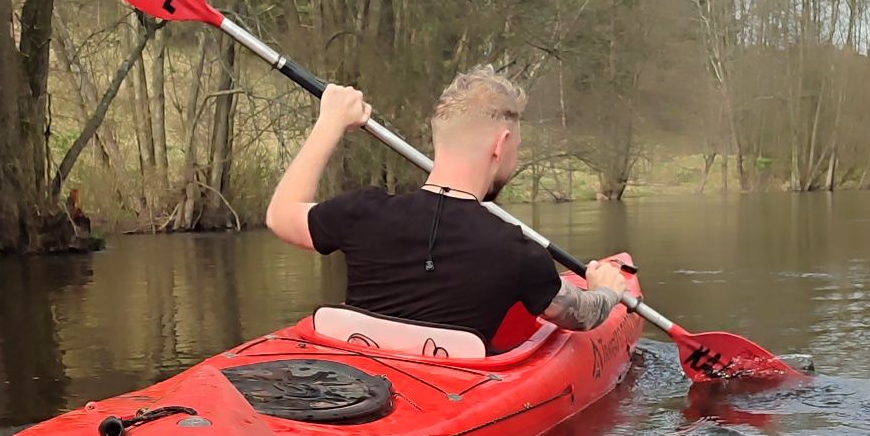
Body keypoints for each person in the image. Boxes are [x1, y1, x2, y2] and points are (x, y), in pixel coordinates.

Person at [265, 64, 631, 344]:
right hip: (447, 397)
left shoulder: (362, 212)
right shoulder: (515, 252)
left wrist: (329, 122)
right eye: (516, 150)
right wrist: (608, 289)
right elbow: (581, 316)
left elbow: (281, 215)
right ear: (500, 145)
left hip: (359, 386)